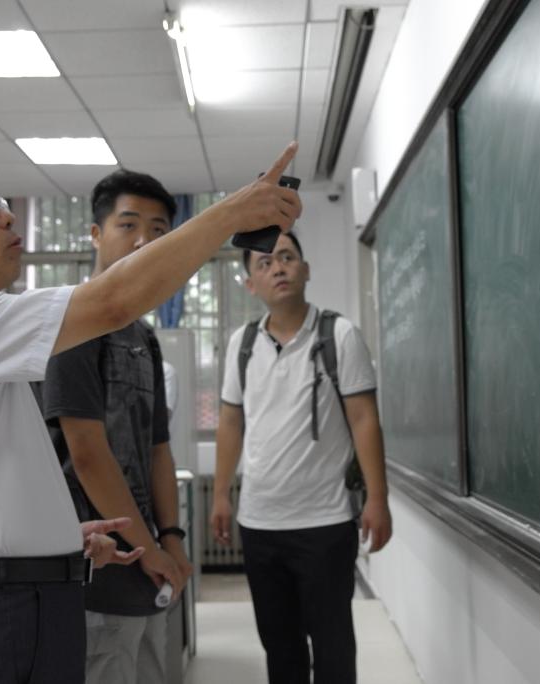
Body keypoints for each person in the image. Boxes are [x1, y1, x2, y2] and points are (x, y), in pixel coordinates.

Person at [0, 144, 300, 683]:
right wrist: (232, 213)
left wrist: (56, 534)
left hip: (23, 595)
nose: (6, 216)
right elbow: (113, 304)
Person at [211, 232, 393, 684]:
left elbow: (364, 419)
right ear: (250, 283)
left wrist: (378, 498)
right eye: (265, 263)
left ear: (306, 269)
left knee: (333, 646)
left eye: (287, 257)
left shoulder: (339, 335)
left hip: (325, 523)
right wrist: (220, 494)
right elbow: (230, 422)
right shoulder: (242, 344)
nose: (278, 267)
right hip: (260, 524)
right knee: (280, 648)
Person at [41, 170, 193, 684]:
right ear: (95, 234)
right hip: (98, 569)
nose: (144, 241)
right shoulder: (73, 324)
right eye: (128, 225)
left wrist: (171, 539)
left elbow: (159, 449)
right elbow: (86, 453)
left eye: (158, 229)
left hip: (147, 567)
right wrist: (150, 550)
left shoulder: (143, 337)